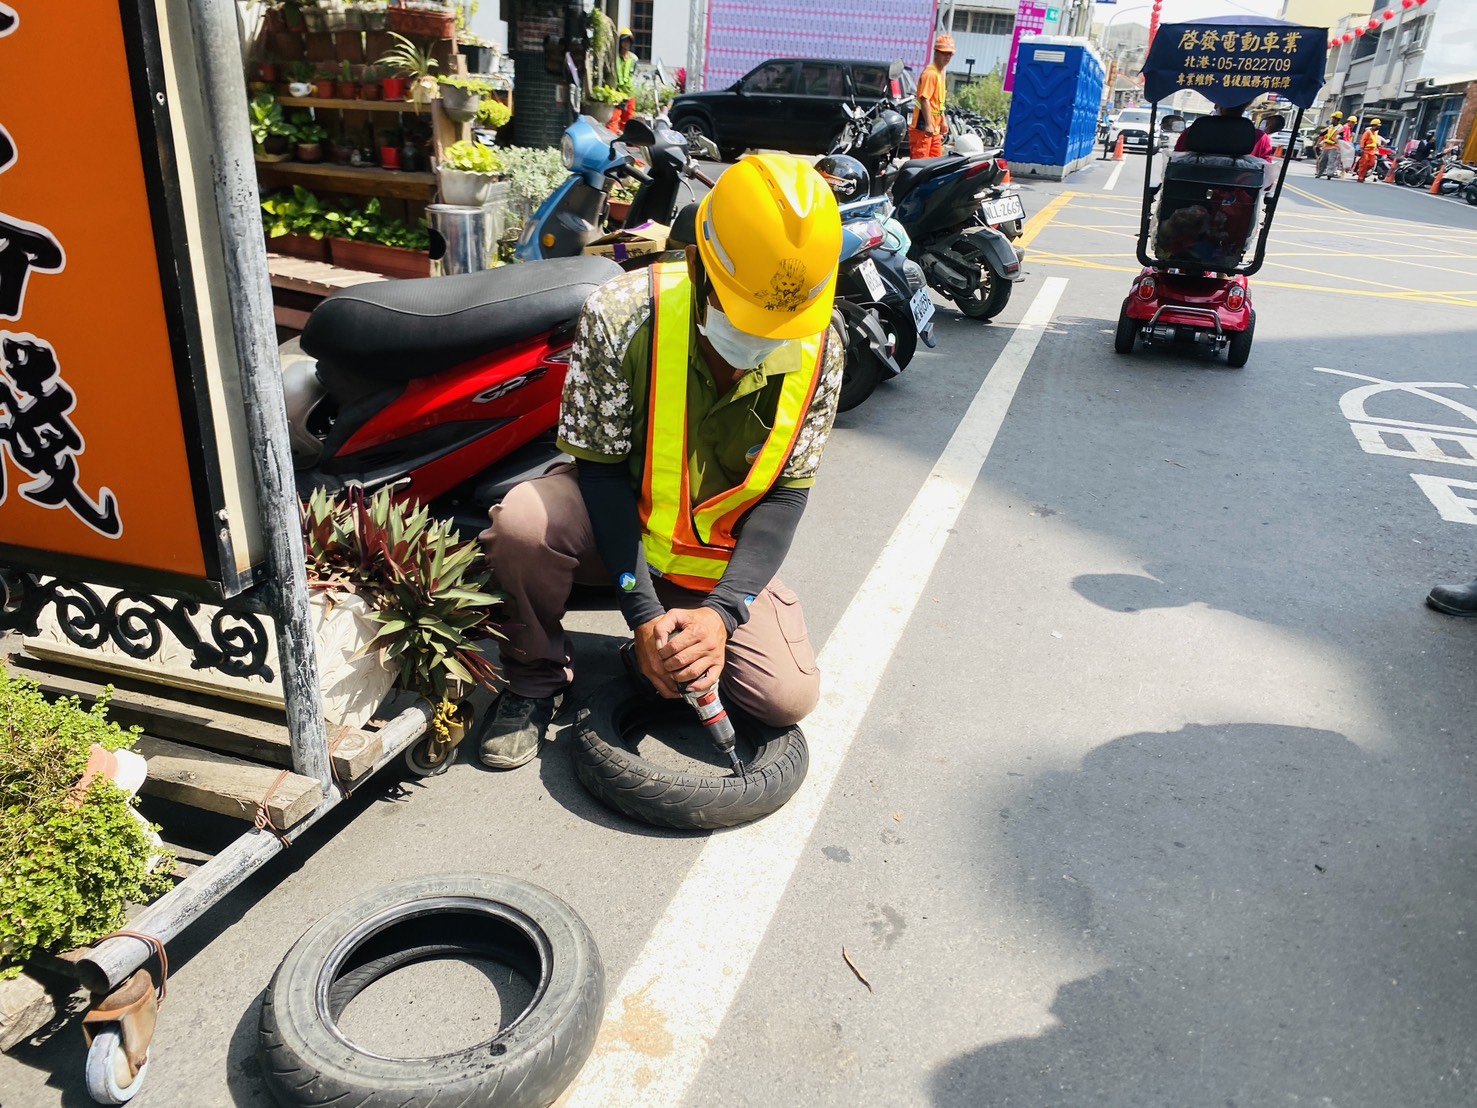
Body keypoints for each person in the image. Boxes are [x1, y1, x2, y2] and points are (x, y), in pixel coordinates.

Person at [475, 155, 846, 769]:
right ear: (700, 264)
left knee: (786, 699)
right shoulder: (623, 315)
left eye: (780, 325)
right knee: (524, 525)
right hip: (616, 533)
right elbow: (599, 474)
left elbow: (787, 494)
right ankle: (534, 679)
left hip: (717, 560)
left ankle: (666, 649)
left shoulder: (823, 345)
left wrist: (723, 614)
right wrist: (643, 611)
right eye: (745, 313)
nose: (762, 338)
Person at [1173, 101, 1274, 160]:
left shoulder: (1193, 131)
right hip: (1241, 190)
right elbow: (1266, 179)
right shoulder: (1260, 138)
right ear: (1245, 107)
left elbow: (1175, 162)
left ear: (1216, 105)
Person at [910, 34, 954, 159]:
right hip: (923, 128)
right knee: (920, 162)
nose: (947, 57)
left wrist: (943, 121)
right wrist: (929, 124)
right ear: (936, 53)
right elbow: (925, 99)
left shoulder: (940, 74)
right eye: (944, 53)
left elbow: (938, 103)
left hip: (934, 129)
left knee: (936, 162)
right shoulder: (930, 74)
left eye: (950, 54)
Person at [611, 27, 638, 133]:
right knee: (614, 119)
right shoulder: (615, 57)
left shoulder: (634, 59)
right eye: (624, 41)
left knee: (628, 119)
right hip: (617, 92)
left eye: (628, 41)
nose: (626, 44)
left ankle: (625, 139)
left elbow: (633, 74)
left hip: (629, 93)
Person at [1314, 111, 1343, 179]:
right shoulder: (1330, 127)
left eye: (1333, 118)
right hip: (1326, 146)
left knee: (1331, 161)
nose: (1331, 120)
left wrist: (1337, 138)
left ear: (1337, 119)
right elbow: (1322, 134)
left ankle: (1329, 174)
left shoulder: (1340, 128)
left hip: (1334, 147)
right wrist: (1320, 132)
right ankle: (1320, 173)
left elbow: (1341, 137)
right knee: (1322, 161)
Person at [1356, 117, 1383, 182]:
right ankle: (1361, 177)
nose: (1378, 127)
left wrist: (1377, 145)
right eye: (1377, 126)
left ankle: (1363, 173)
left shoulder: (1375, 132)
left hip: (1372, 151)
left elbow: (1374, 140)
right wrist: (1361, 148)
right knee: (1363, 164)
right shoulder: (1368, 132)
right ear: (1373, 125)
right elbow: (1363, 141)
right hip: (1366, 151)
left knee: (1372, 164)